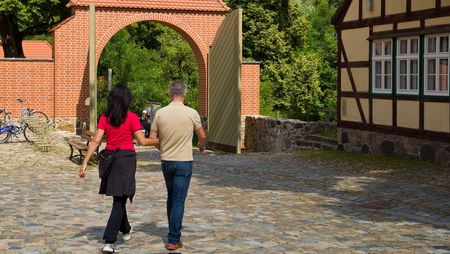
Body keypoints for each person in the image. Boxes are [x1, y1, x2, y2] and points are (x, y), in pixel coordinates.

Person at [79, 84, 159, 253]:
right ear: (126, 100)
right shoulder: (131, 117)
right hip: (125, 160)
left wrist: (85, 161)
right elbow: (143, 141)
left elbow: (96, 140)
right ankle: (109, 240)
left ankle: (126, 228)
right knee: (119, 199)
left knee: (119, 197)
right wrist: (161, 140)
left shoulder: (105, 117)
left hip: (109, 159)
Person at [150, 81, 207, 251]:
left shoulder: (160, 113)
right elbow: (202, 135)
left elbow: (153, 137)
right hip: (184, 161)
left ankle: (173, 231)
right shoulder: (192, 113)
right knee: (179, 200)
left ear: (170, 94)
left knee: (172, 197)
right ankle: (173, 238)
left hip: (166, 161)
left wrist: (163, 148)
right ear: (185, 94)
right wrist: (202, 145)